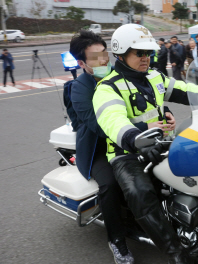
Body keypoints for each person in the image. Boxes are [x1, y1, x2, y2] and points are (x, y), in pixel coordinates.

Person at [93, 24, 198, 264]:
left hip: (163, 144)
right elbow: (113, 120)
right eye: (139, 53)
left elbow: (187, 90)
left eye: (149, 53)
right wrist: (135, 139)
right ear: (121, 54)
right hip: (127, 153)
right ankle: (177, 253)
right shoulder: (107, 88)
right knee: (140, 192)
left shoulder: (155, 77)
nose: (146, 58)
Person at [67, 30, 133, 264]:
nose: (104, 61)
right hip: (99, 147)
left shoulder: (118, 73)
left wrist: (164, 115)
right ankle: (117, 240)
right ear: (82, 63)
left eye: (105, 54)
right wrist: (136, 130)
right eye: (95, 58)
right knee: (110, 184)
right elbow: (97, 126)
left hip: (128, 137)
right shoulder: (80, 88)